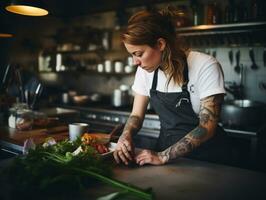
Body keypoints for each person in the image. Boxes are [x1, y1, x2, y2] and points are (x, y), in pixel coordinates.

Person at [113, 7, 229, 166]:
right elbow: (136, 116)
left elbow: (207, 127)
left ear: (160, 44)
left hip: (208, 160)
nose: (135, 62)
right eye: (132, 55)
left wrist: (163, 156)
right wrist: (126, 135)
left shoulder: (205, 66)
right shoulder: (145, 71)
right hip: (167, 157)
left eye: (139, 54)